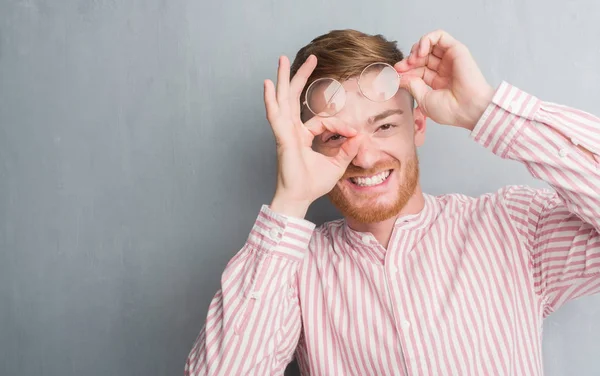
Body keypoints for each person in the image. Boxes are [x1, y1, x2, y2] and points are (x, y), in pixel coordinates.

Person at [185, 29, 600, 375]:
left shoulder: (514, 228)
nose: (364, 157)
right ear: (310, 146)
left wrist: (485, 110)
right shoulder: (294, 271)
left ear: (417, 125)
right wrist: (290, 202)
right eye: (335, 137)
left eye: (383, 125)